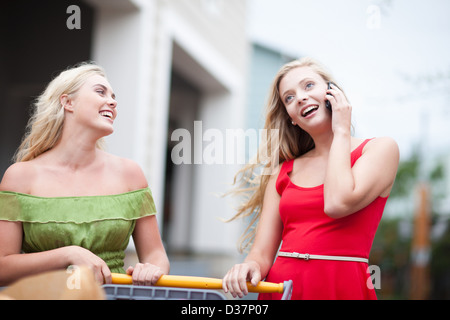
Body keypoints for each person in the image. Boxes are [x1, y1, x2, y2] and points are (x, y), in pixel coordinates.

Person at [222, 57, 399, 300]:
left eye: (308, 86)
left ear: (332, 93)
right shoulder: (283, 172)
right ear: (292, 117)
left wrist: (341, 131)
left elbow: (337, 203)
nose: (301, 98)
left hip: (341, 287)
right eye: (289, 97)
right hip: (283, 288)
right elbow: (261, 254)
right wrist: (248, 265)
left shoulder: (380, 150)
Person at [0, 63, 169, 287]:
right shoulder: (20, 177)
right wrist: (68, 254)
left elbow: (156, 254)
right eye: (101, 92)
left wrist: (152, 268)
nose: (112, 101)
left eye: (113, 96)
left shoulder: (131, 174)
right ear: (67, 102)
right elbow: (2, 267)